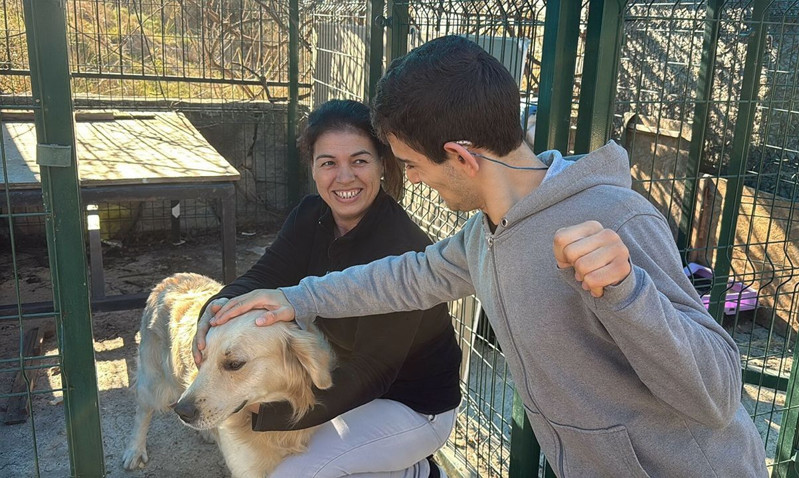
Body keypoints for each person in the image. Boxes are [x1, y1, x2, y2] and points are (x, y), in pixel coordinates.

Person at [201, 36, 768, 477]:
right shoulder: (486, 235)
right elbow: (408, 275)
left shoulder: (615, 217)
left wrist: (629, 294)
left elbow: (717, 393)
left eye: (414, 167)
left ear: (461, 157)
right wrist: (291, 297)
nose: (415, 183)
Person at [193, 99, 461, 478]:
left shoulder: (400, 245)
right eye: (329, 163)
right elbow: (263, 275)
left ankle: (416, 471)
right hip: (344, 384)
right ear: (314, 169)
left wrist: (260, 415)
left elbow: (373, 371)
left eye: (359, 160)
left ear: (383, 165)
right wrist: (216, 309)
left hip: (412, 404)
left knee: (293, 474)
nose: (344, 177)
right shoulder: (310, 215)